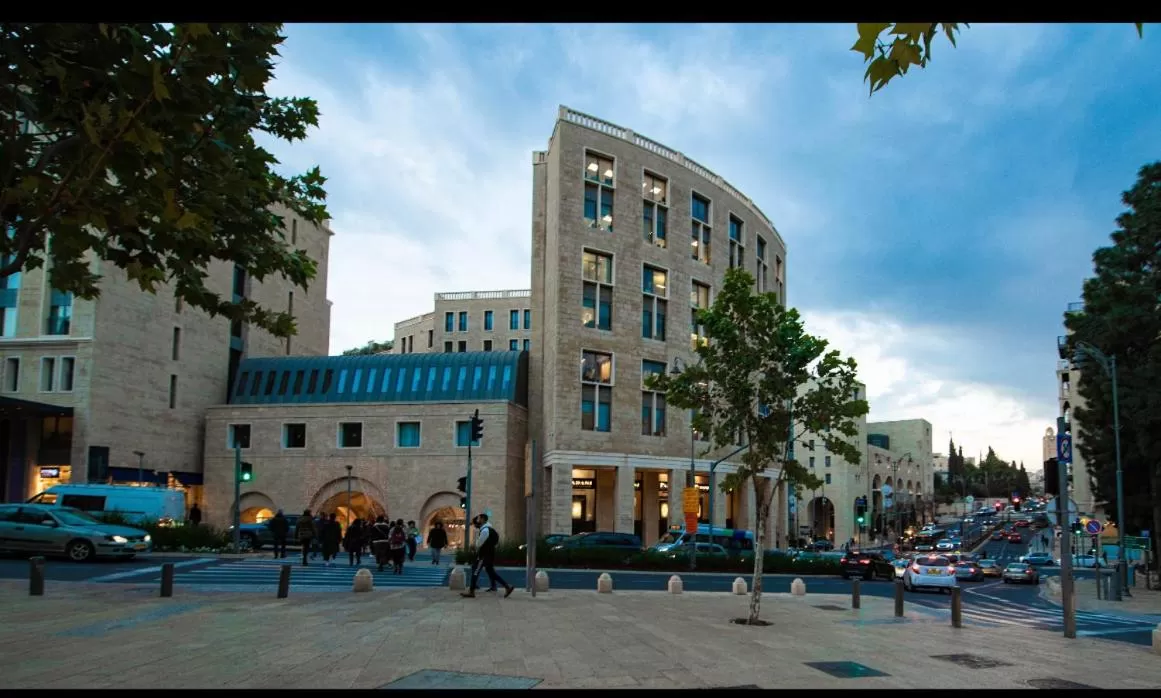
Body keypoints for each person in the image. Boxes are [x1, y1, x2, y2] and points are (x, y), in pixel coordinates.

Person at [462, 513, 514, 598]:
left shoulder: (485, 531)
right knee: (491, 573)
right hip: (489, 554)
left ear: (482, 519)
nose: (477, 520)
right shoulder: (488, 529)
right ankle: (507, 586)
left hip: (484, 555)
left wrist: (473, 545)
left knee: (475, 570)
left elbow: (478, 544)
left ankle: (471, 591)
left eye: (478, 518)